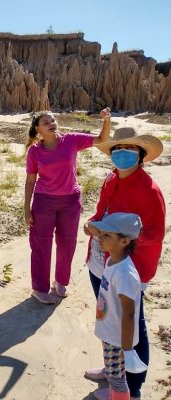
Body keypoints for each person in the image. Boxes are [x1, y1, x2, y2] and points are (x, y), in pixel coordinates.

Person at [84, 127, 165, 400]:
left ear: (141, 156)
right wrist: (94, 225)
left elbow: (154, 234)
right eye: (117, 150)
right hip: (101, 260)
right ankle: (112, 371)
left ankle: (133, 387)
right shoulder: (110, 179)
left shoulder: (149, 190)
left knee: (131, 324)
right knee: (108, 318)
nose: (122, 155)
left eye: (129, 151)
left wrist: (122, 238)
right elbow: (101, 211)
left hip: (128, 268)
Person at [24, 108, 111, 304]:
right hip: (43, 202)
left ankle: (61, 282)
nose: (51, 123)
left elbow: (101, 140)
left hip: (70, 201)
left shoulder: (71, 140)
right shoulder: (34, 151)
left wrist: (106, 121)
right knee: (40, 245)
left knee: (67, 243)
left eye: (52, 120)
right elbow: (30, 180)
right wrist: (26, 208)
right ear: (38, 129)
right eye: (45, 122)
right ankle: (39, 288)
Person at [88, 213, 147, 400]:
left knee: (117, 378)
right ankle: (113, 384)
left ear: (124, 241)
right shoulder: (111, 260)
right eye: (101, 233)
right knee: (113, 369)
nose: (100, 237)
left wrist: (127, 348)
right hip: (110, 330)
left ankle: (119, 396)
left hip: (118, 338)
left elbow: (130, 314)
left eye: (107, 235)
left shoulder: (125, 274)